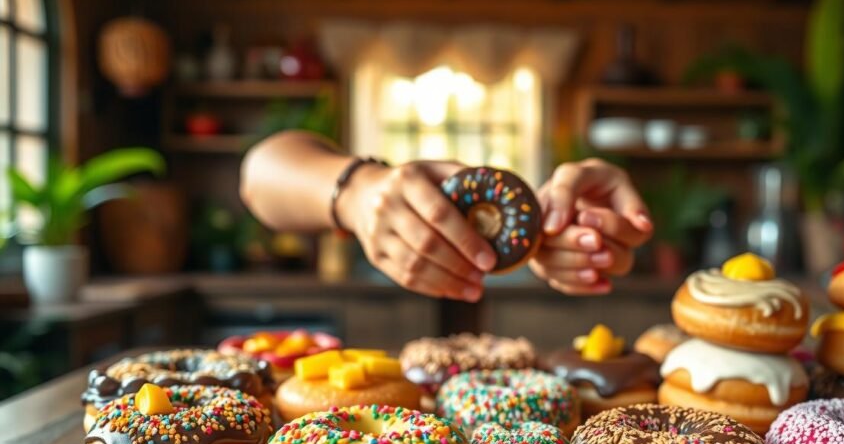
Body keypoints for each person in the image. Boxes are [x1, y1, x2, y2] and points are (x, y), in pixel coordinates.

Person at [240, 131, 652, 300]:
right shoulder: (401, 190)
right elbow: (258, 175)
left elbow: (526, 238)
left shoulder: (526, 231)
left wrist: (558, 234)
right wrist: (360, 192)